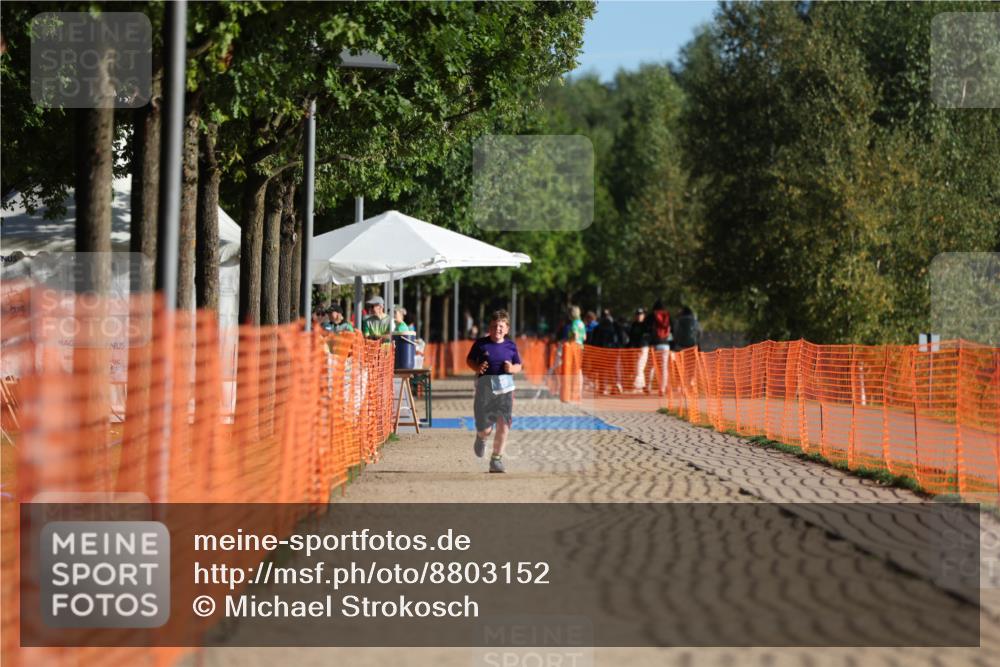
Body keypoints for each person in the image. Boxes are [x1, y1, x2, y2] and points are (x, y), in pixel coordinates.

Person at [466, 310, 522, 474]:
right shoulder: (481, 344)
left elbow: (519, 365)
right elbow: (469, 360)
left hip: (505, 391)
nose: (497, 329)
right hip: (485, 391)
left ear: (507, 329)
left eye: (501, 326)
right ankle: (481, 437)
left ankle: (496, 460)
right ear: (489, 328)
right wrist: (477, 367)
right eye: (494, 326)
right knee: (486, 428)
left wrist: (512, 368)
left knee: (504, 425)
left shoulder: (511, 346)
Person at [650, 299, 671, 396]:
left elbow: (648, 329)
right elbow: (673, 329)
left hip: (656, 344)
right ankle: (663, 387)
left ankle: (649, 386)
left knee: (654, 366)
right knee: (664, 367)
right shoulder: (667, 316)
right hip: (666, 344)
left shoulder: (653, 316)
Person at [629, 308, 650, 391]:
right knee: (637, 367)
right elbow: (631, 337)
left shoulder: (645, 325)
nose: (639, 316)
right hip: (635, 348)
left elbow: (646, 337)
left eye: (640, 314)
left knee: (639, 367)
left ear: (643, 315)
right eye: (637, 314)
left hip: (643, 348)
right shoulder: (634, 325)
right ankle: (642, 386)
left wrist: (641, 347)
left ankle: (637, 385)